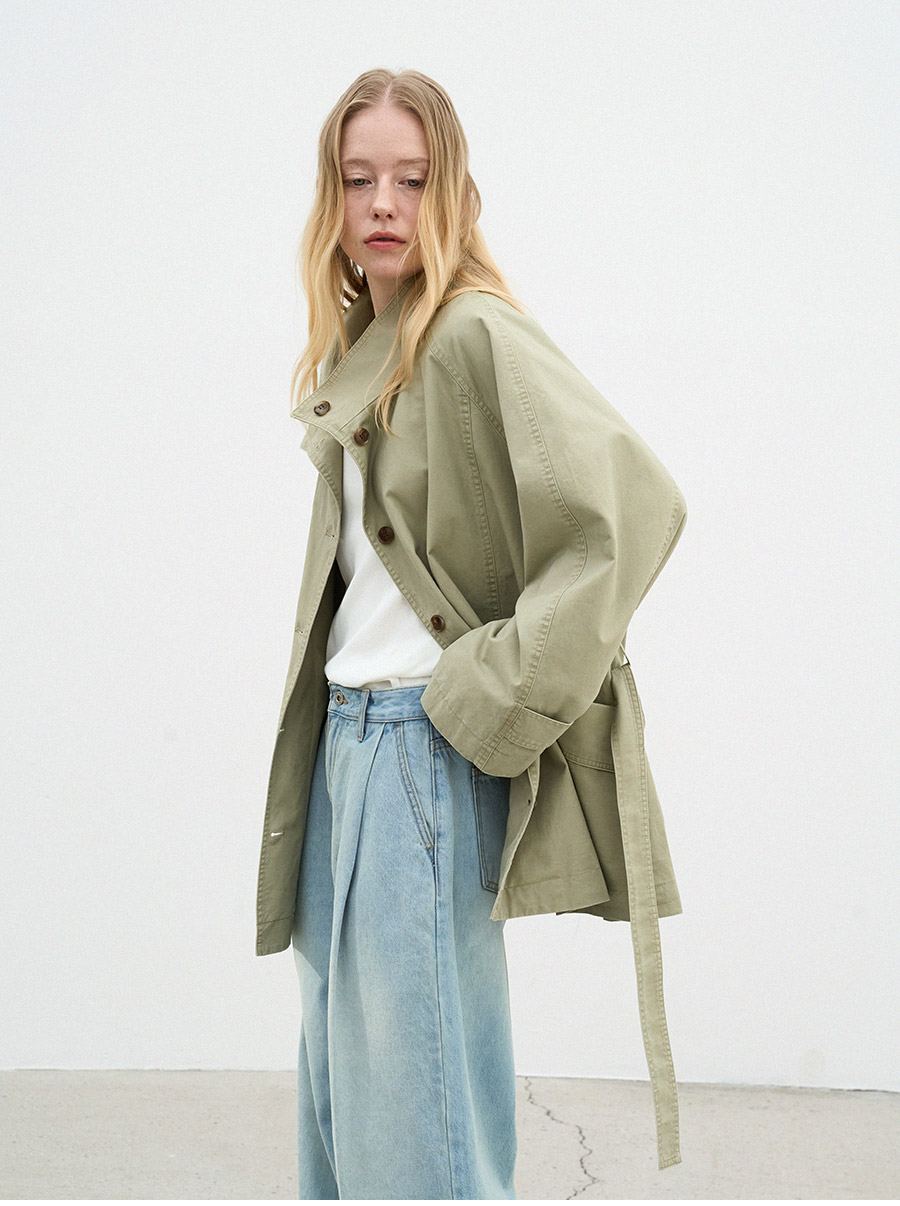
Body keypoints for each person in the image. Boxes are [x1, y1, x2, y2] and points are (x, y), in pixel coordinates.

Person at [256, 67, 688, 1200]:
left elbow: (636, 509)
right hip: (347, 747)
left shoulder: (471, 332)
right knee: (347, 1096)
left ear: (450, 191)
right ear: (332, 197)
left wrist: (485, 690)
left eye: (411, 179)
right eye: (359, 179)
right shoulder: (365, 346)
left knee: (422, 1108)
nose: (383, 204)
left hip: (417, 747)